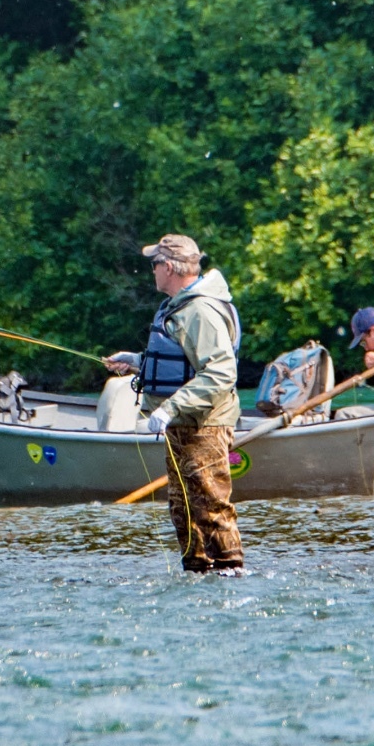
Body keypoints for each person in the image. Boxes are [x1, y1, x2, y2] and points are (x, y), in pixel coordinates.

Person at [104, 235, 246, 575]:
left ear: (168, 268)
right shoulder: (181, 305)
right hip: (182, 425)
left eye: (154, 264)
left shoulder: (200, 310)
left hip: (203, 425)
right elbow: (182, 360)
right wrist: (139, 361)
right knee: (183, 507)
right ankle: (198, 572)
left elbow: (221, 372)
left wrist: (170, 407)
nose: (151, 270)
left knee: (210, 506)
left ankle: (231, 572)